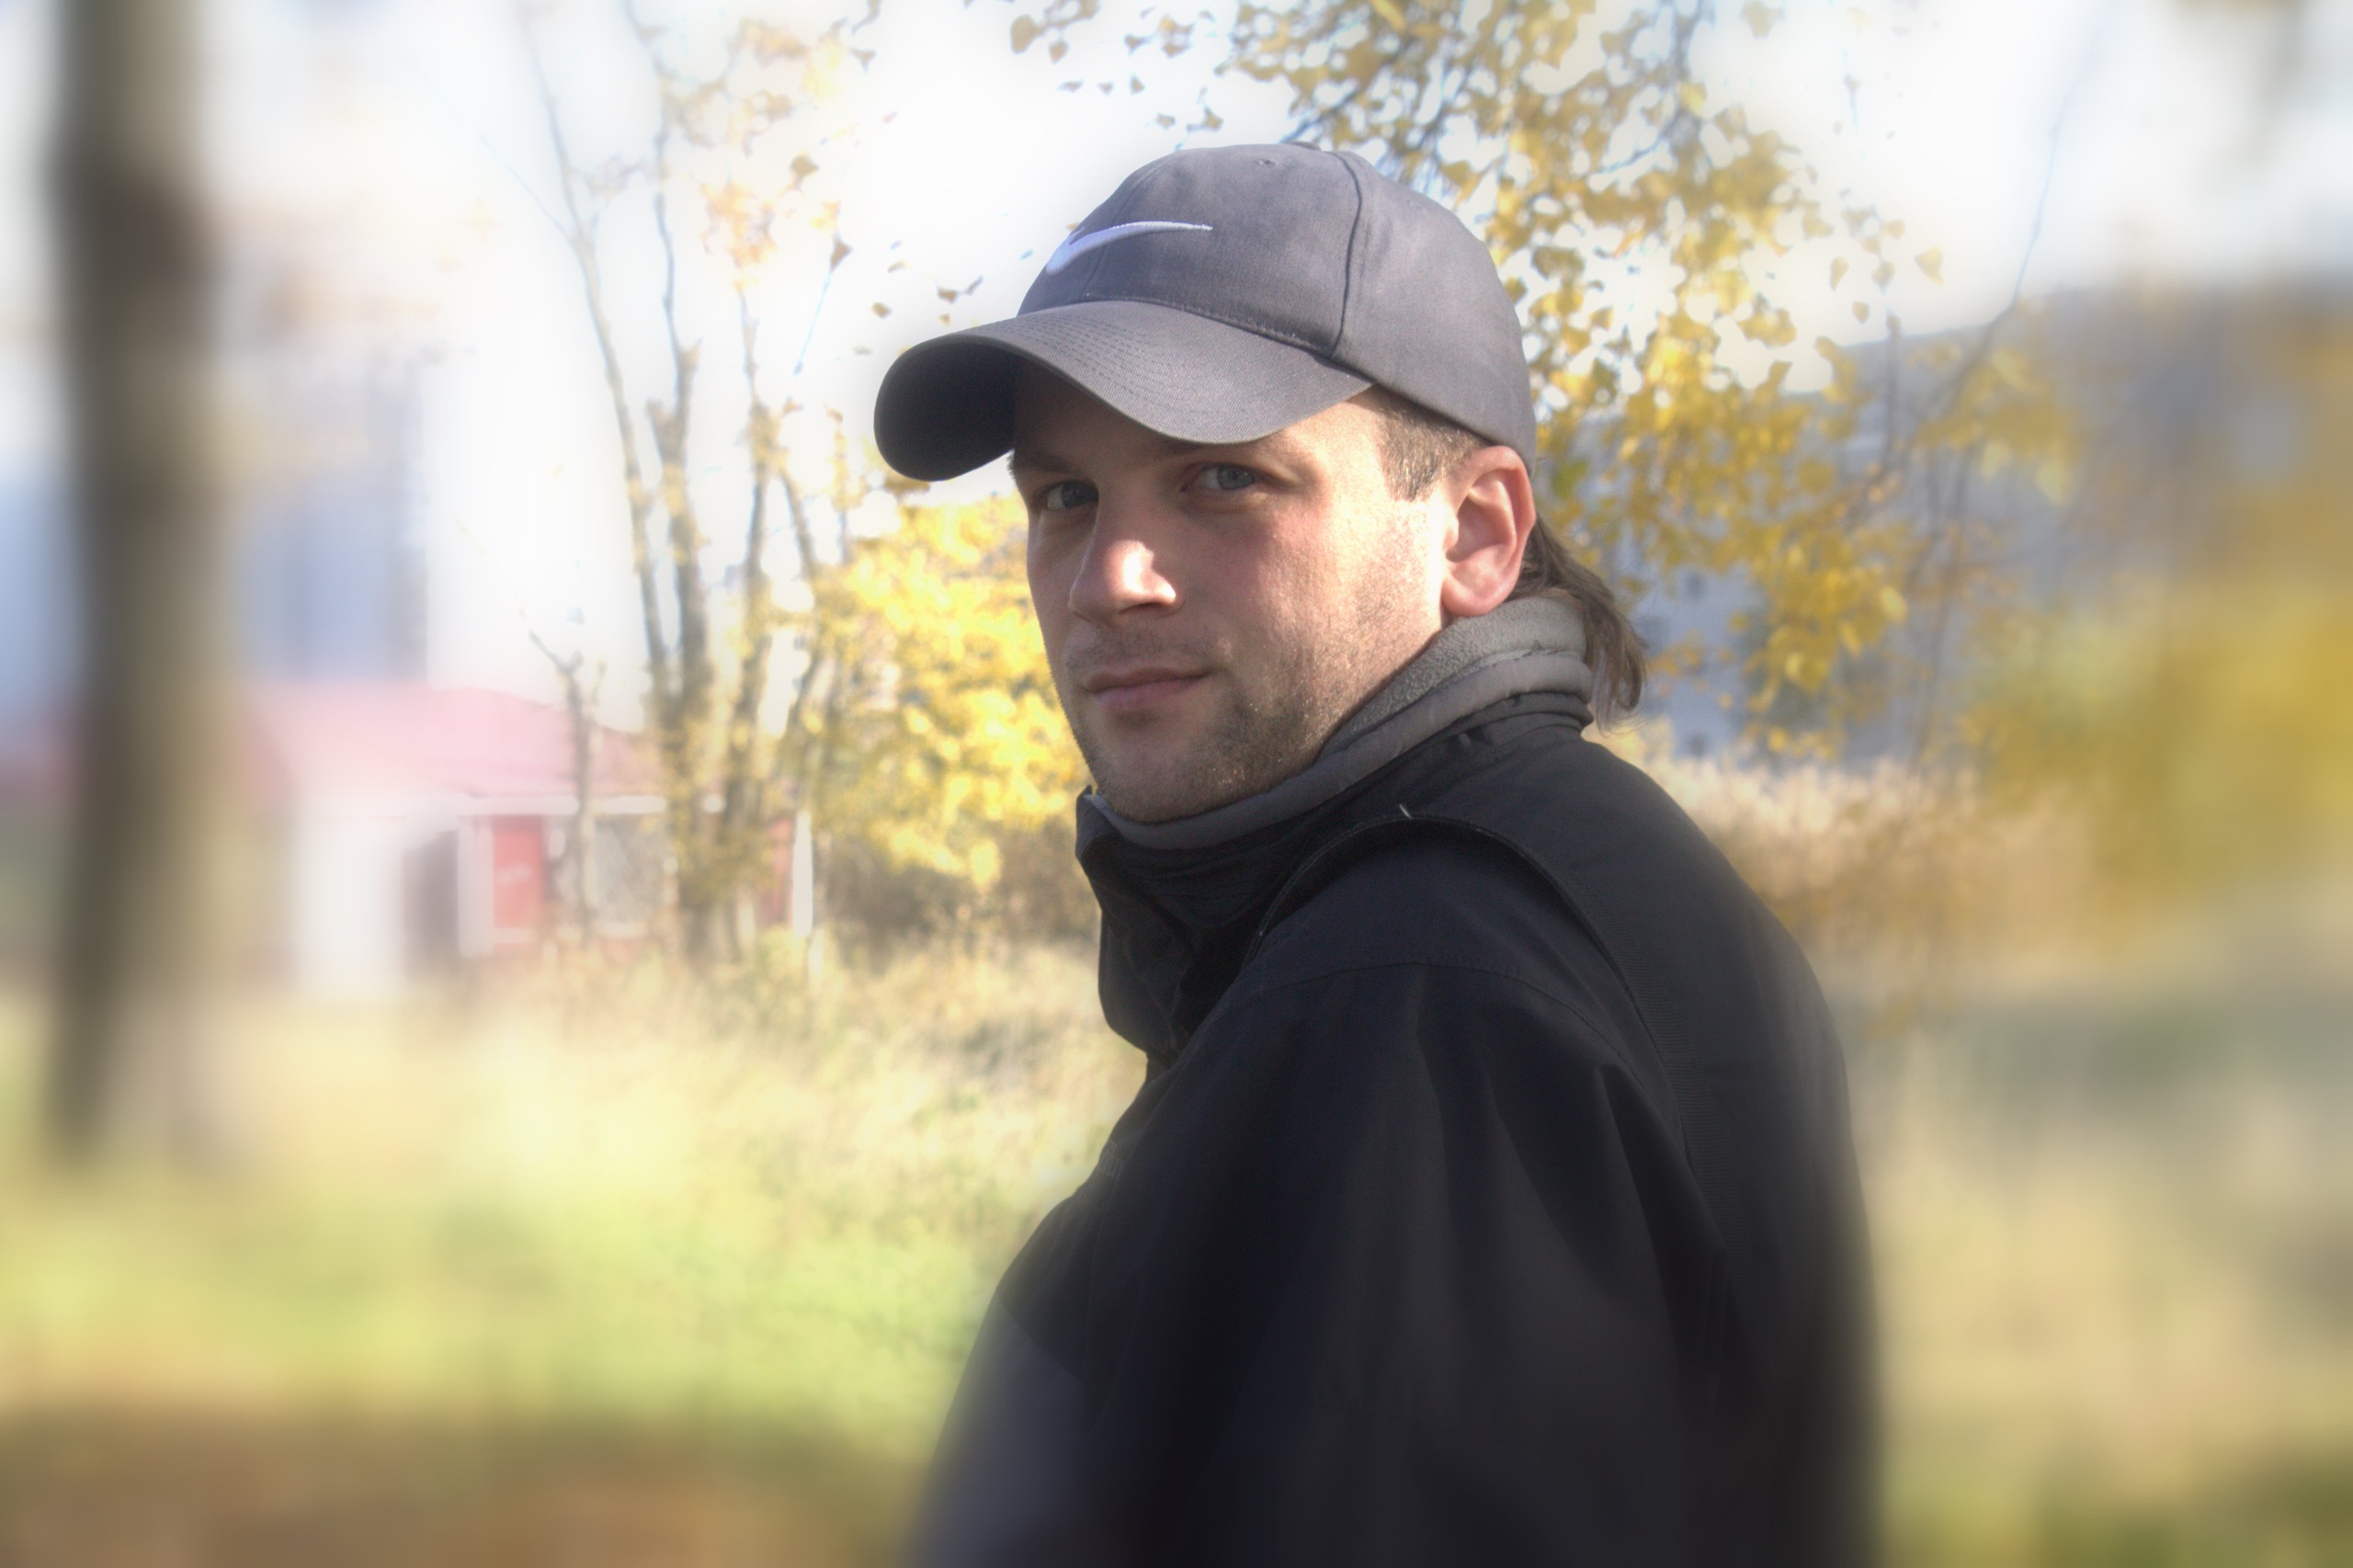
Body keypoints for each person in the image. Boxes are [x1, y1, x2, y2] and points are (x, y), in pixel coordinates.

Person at [872, 142, 1872, 1567]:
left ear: (1472, 531)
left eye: (1224, 478)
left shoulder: (1427, 990)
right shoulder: (1552, 886)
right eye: (1066, 497)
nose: (1108, 578)